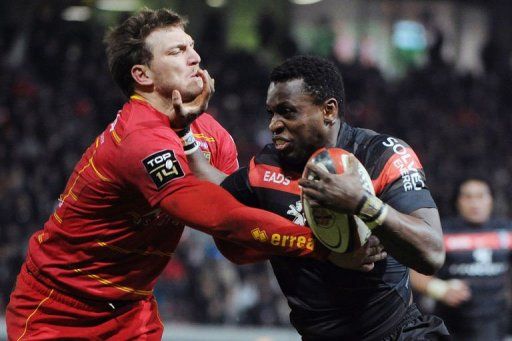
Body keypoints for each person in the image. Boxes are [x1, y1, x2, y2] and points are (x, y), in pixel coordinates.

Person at [5, 10, 351, 340]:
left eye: (192, 46)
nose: (195, 57)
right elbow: (224, 218)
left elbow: (235, 245)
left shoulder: (211, 136)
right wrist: (316, 242)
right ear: (143, 75)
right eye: (177, 50)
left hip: (131, 310)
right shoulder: (138, 139)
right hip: (59, 311)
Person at [189, 55, 450, 340]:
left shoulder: (384, 155)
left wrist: (364, 204)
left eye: (287, 112)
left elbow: (432, 253)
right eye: (271, 113)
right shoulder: (266, 168)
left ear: (328, 110)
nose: (274, 125)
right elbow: (214, 192)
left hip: (396, 334)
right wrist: (184, 129)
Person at [410, 177, 512, 340]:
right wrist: (440, 289)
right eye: (468, 197)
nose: (474, 203)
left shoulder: (506, 231)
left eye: (480, 196)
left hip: (495, 322)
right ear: (458, 201)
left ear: (491, 199)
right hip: (452, 323)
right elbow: (414, 272)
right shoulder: (441, 231)